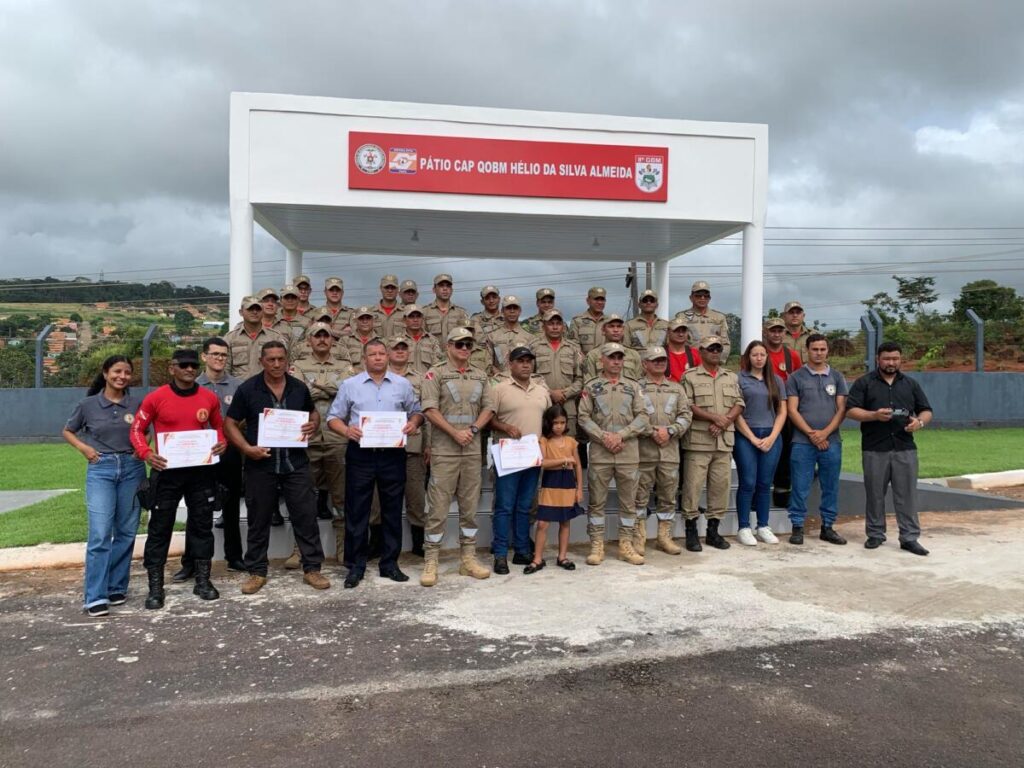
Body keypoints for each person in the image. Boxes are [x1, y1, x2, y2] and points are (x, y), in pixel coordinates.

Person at [224, 341, 331, 593]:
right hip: (261, 464)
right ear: (261, 361)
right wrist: (246, 449)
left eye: (280, 359)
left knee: (306, 517)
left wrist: (313, 425)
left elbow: (313, 413)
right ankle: (257, 572)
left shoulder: (298, 388)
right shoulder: (248, 389)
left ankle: (312, 569)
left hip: (296, 463)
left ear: (287, 361)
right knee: (258, 519)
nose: (276, 364)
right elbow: (229, 423)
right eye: (270, 359)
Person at [129, 349, 227, 609]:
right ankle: (155, 587)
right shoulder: (156, 397)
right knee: (160, 528)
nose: (189, 369)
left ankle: (203, 581)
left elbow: (218, 427)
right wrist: (146, 453)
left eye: (193, 365)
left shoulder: (208, 397)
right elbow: (137, 429)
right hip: (166, 471)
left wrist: (221, 443)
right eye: (183, 365)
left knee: (202, 526)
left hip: (200, 472)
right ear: (172, 368)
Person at [326, 339, 424, 588]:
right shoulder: (350, 385)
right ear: (364, 358)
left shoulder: (402, 384)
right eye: (373, 354)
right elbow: (333, 417)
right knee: (357, 511)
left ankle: (389, 564)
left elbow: (417, 411)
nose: (378, 357)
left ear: (388, 356)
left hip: (393, 454)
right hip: (361, 454)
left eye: (382, 353)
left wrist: (413, 423)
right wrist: (346, 430)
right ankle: (355, 566)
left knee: (392, 510)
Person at [62, 355, 146, 617]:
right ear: (106, 373)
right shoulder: (88, 405)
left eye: (127, 372)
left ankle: (116, 587)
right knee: (100, 533)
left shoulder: (137, 404)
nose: (122, 377)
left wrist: (142, 449)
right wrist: (84, 448)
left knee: (126, 531)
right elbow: (68, 431)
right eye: (117, 371)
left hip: (132, 468)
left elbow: (146, 430)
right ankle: (95, 596)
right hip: (102, 469)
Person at [419, 327, 496, 586]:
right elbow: (429, 409)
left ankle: (468, 558)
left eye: (468, 344)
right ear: (448, 346)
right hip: (445, 451)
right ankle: (431, 560)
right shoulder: (436, 373)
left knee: (469, 508)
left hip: (472, 450)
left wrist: (472, 430)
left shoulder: (480, 375)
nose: (465, 348)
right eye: (459, 344)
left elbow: (489, 407)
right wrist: (454, 433)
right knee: (438, 508)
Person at [846, 341, 933, 555]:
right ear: (878, 359)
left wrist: (919, 423)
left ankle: (909, 537)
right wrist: (873, 415)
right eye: (887, 359)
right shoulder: (864, 383)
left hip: (905, 447)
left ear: (901, 359)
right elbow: (851, 410)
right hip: (874, 447)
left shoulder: (911, 384)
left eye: (895, 358)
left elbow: (926, 410)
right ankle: (875, 534)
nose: (891, 363)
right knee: (875, 494)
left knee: (907, 495)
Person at [174, 337, 247, 582]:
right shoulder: (192, 384)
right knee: (198, 508)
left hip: (230, 452)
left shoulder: (238, 386)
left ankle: (234, 557)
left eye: (223, 355)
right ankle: (190, 562)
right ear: (204, 356)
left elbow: (245, 418)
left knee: (231, 506)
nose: (219, 358)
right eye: (215, 354)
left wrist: (232, 435)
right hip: (200, 455)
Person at [290, 322, 357, 566]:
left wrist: (314, 387)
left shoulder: (345, 366)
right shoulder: (298, 366)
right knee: (303, 498)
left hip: (337, 439)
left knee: (341, 497)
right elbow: (297, 395)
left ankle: (343, 547)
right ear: (309, 340)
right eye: (317, 336)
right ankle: (300, 550)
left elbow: (349, 395)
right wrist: (331, 389)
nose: (321, 339)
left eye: (326, 336)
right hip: (307, 438)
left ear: (332, 340)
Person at [578, 342, 650, 566]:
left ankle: (625, 545)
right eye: (611, 357)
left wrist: (621, 435)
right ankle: (596, 544)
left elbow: (643, 416)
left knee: (628, 502)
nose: (616, 361)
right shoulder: (591, 386)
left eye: (619, 357)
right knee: (597, 502)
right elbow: (583, 417)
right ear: (602, 361)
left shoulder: (633, 386)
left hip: (628, 451)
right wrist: (604, 437)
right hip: (601, 452)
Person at [487, 346, 552, 573]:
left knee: (525, 506)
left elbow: (548, 421)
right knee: (505, 506)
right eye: (520, 361)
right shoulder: (499, 388)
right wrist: (505, 426)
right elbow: (488, 419)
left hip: (532, 456)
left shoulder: (541, 390)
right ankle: (500, 554)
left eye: (528, 361)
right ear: (511, 364)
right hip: (508, 455)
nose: (525, 365)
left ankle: (522, 550)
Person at [680, 336, 744, 552]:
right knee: (693, 488)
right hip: (699, 441)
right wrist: (714, 418)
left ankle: (713, 531)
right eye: (711, 349)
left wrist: (725, 421)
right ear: (701, 351)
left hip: (723, 441)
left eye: (718, 349)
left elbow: (739, 403)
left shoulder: (731, 377)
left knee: (720, 488)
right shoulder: (690, 376)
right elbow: (687, 405)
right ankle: (691, 531)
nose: (715, 352)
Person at [785, 333, 848, 546]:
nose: (819, 353)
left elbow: (842, 409)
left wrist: (825, 433)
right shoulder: (795, 377)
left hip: (832, 441)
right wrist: (812, 434)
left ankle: (828, 527)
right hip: (802, 442)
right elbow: (792, 410)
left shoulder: (837, 377)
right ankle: (797, 527)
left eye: (822, 349)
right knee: (800, 485)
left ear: (827, 351)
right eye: (815, 349)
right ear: (807, 350)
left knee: (830, 486)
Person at [633, 346, 692, 556]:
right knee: (639, 497)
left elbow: (686, 415)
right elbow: (632, 416)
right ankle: (638, 537)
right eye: (655, 360)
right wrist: (651, 432)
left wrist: (671, 431)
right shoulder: (636, 388)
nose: (659, 363)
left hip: (669, 452)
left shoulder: (677, 389)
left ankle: (664, 537)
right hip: (643, 452)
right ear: (645, 364)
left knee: (668, 496)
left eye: (663, 360)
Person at [733, 341, 787, 546]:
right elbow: (736, 412)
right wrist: (752, 437)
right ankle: (744, 527)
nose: (759, 358)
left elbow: (782, 412)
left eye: (762, 355)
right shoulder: (739, 379)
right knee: (748, 482)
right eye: (754, 354)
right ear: (748, 357)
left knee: (765, 483)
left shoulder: (776, 380)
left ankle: (763, 525)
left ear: (767, 357)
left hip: (771, 436)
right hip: (746, 437)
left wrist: (772, 436)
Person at [382, 336, 430, 557]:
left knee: (416, 497)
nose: (400, 351)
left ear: (409, 353)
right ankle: (377, 541)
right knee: (378, 499)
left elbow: (427, 413)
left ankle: (419, 542)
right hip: (382, 446)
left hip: (413, 446)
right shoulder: (378, 377)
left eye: (404, 348)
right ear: (387, 353)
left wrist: (429, 445)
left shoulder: (421, 379)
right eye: (395, 348)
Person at [529, 404, 584, 573]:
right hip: (550, 483)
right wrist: (565, 460)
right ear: (549, 423)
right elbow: (543, 463)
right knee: (543, 523)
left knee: (565, 521)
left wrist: (579, 489)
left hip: (568, 484)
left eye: (562, 422)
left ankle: (562, 557)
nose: (559, 426)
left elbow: (578, 465)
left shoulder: (571, 442)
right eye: (555, 423)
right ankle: (537, 559)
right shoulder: (544, 440)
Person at [763, 316, 802, 508]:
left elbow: (799, 381)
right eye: (773, 330)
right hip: (764, 408)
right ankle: (759, 495)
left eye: (780, 330)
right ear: (765, 332)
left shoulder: (792, 355)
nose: (776, 334)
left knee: (786, 451)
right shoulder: (759, 353)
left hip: (785, 409)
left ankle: (781, 494)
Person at [528, 309, 584, 437]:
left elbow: (580, 379)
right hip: (542, 403)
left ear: (563, 326)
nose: (555, 327)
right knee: (542, 442)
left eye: (558, 324)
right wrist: (550, 393)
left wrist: (565, 394)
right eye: (551, 323)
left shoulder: (573, 348)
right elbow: (529, 376)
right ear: (544, 326)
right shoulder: (534, 347)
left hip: (567, 405)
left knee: (567, 443)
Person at [223, 295, 289, 380]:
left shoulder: (275, 337)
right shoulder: (230, 338)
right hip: (239, 386)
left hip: (267, 386)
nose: (254, 312)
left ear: (263, 311)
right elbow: (225, 369)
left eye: (258, 309)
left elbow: (283, 366)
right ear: (241, 312)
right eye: (250, 309)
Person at [675, 280, 731, 359]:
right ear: (691, 298)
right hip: (689, 360)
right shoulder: (681, 317)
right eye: (698, 296)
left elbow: (725, 344)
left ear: (709, 298)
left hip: (712, 361)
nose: (702, 298)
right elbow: (675, 342)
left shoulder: (719, 317)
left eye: (706, 296)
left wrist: (719, 360)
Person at [583, 314, 642, 381]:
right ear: (603, 330)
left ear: (623, 330)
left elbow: (639, 382)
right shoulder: (593, 355)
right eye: (611, 326)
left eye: (619, 326)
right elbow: (589, 382)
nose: (616, 330)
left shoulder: (634, 354)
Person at [487, 294, 533, 374]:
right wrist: (500, 376)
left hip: (523, 379)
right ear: (502, 311)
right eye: (508, 308)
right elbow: (488, 362)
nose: (512, 311)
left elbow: (533, 364)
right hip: (499, 379)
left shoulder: (529, 337)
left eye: (515, 308)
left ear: (520, 311)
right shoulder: (492, 336)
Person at [422, 273, 471, 341]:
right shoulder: (424, 312)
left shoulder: (461, 313)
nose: (445, 289)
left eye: (448, 286)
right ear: (434, 289)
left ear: (452, 290)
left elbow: (467, 337)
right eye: (441, 286)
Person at [400, 304, 443, 373]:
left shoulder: (432, 340)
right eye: (411, 317)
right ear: (404, 319)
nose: (415, 320)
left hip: (427, 378)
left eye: (418, 316)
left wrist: (429, 378)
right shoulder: (397, 341)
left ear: (423, 319)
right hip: (404, 379)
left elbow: (438, 366)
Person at [567, 286, 607, 355]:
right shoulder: (577, 321)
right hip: (584, 360)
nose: (600, 302)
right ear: (588, 301)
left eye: (602, 300)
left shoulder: (610, 322)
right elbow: (573, 345)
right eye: (596, 299)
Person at [370, 274, 407, 339]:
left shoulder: (406, 313)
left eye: (393, 288)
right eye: (386, 287)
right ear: (381, 288)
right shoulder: (370, 313)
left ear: (398, 289)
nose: (390, 291)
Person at [665, 318, 701, 383]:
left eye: (683, 331)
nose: (681, 334)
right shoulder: (661, 354)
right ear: (668, 332)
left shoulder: (696, 354)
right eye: (676, 331)